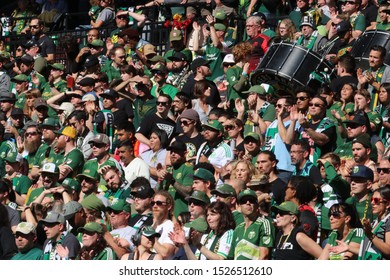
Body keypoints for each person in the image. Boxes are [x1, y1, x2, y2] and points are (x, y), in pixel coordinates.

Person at [169, 201, 235, 260]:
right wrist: (185, 243)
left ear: (223, 216)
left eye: (212, 214)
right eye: (207, 215)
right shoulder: (206, 236)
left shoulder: (228, 233)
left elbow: (220, 259)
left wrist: (198, 245)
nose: (208, 218)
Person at [229, 189, 275, 260]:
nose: (248, 203)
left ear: (257, 205)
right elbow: (231, 257)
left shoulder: (263, 223)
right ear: (239, 206)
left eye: (251, 200)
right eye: (244, 201)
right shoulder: (238, 229)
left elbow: (264, 256)